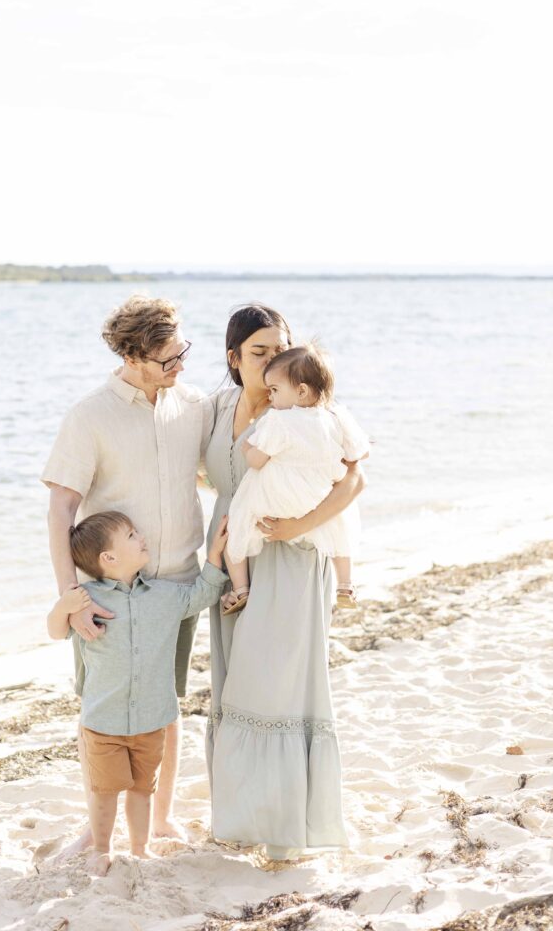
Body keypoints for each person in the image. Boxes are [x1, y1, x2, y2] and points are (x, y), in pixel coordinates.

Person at [42, 294, 213, 847]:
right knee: (101, 708)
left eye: (182, 351)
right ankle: (97, 827)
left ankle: (159, 817)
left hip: (179, 583)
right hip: (108, 593)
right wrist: (72, 596)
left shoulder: (194, 405)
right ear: (133, 356)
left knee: (167, 702)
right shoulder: (90, 415)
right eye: (169, 358)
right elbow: (62, 508)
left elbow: (214, 476)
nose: (180, 365)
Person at [204, 304, 367, 859]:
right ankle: (241, 817)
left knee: (281, 684)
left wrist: (299, 523)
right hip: (235, 555)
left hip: (295, 549)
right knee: (236, 684)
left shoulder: (312, 407)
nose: (274, 358)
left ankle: (287, 831)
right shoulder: (214, 409)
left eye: (280, 348)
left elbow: (354, 481)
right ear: (234, 358)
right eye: (259, 351)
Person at [47, 510, 229, 874]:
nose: (141, 537)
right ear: (109, 559)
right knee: (104, 791)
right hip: (104, 719)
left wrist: (214, 557)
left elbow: (204, 594)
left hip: (151, 718)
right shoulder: (86, 600)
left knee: (143, 789)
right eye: (131, 535)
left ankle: (140, 847)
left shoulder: (164, 596)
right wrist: (64, 604)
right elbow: (55, 631)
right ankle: (101, 848)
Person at [222, 343, 369, 615]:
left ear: (301, 391)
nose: (272, 398)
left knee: (239, 523)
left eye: (275, 390)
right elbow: (360, 452)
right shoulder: (337, 417)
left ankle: (241, 588)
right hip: (317, 497)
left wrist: (247, 449)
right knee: (340, 523)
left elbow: (257, 461)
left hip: (279, 499)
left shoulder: (279, 421)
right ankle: (346, 584)